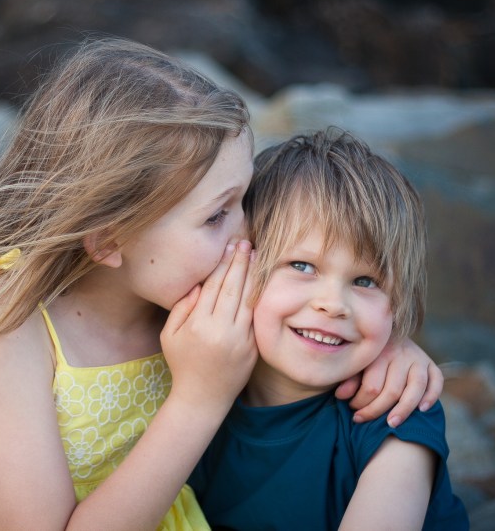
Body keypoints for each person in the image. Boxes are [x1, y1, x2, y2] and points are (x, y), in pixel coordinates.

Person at [0, 39, 443, 531]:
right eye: (217, 214)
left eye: (244, 199)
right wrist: (200, 398)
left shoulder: (185, 294)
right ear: (109, 239)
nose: (250, 232)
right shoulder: (5, 330)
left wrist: (395, 347)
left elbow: (319, 318)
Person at [189, 130, 469, 530]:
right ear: (237, 265)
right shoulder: (186, 378)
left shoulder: (397, 411)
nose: (333, 304)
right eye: (302, 266)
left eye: (366, 281)